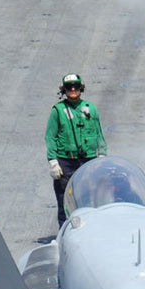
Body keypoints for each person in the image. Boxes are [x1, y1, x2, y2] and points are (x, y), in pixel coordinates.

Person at [44, 74, 106, 227]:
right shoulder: (58, 111)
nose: (73, 89)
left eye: (76, 86)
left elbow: (99, 133)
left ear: (81, 88)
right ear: (64, 90)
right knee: (64, 199)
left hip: (88, 160)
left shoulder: (90, 108)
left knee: (91, 197)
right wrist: (53, 161)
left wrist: (102, 155)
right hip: (66, 162)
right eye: (69, 86)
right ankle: (65, 232)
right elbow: (50, 137)